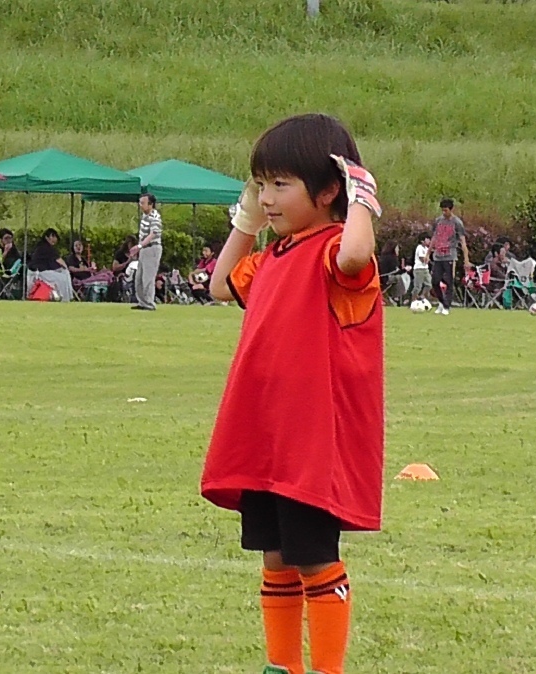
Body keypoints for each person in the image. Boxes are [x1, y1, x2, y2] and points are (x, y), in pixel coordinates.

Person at [202, 113, 383, 674]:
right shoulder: (273, 256)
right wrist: (246, 220)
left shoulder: (332, 251)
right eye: (261, 184)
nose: (267, 198)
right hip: (268, 437)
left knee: (313, 558)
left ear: (328, 190)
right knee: (275, 557)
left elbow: (356, 256)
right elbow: (219, 284)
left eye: (280, 185)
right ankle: (282, 665)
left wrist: (361, 199)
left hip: (310, 442)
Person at [428, 198, 471, 315]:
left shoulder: (457, 223)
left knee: (449, 281)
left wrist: (466, 259)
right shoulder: (438, 221)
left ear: (451, 210)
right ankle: (442, 302)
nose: (444, 213)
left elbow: (462, 241)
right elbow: (434, 237)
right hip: (438, 255)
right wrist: (428, 253)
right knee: (435, 281)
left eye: (446, 210)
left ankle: (447, 306)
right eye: (442, 210)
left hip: (450, 255)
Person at [131, 194, 163, 311]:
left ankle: (149, 303)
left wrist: (139, 246)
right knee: (139, 277)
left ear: (151, 204)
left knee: (148, 278)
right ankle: (142, 302)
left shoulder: (155, 216)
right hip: (144, 249)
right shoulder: (145, 216)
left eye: (143, 203)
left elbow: (153, 233)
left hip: (152, 248)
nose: (140, 205)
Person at [27, 228, 72, 302]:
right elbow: (61, 261)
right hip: (40, 272)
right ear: (48, 237)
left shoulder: (40, 246)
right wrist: (66, 268)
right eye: (53, 237)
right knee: (63, 278)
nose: (55, 240)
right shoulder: (46, 247)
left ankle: (65, 297)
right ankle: (65, 298)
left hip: (39, 271)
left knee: (62, 274)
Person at [107, 235, 138, 303]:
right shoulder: (120, 254)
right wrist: (127, 262)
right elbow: (114, 267)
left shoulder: (138, 254)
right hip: (123, 274)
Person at [411, 234, 432, 302]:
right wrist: (427, 259)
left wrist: (427, 259)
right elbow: (422, 259)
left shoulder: (426, 249)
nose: (429, 241)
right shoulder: (419, 248)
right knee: (418, 286)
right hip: (419, 269)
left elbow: (427, 259)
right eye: (427, 239)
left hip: (425, 269)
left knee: (429, 284)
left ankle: (422, 296)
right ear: (422, 240)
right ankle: (413, 300)